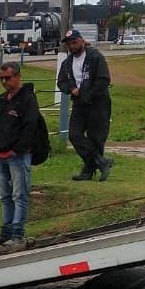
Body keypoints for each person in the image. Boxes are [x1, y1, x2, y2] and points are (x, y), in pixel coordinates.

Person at [0, 61, 42, 254]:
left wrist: (17, 150)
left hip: (17, 156)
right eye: (1, 78)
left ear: (18, 76)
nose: (4, 82)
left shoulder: (27, 99)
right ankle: (6, 231)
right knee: (5, 196)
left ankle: (17, 234)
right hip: (0, 154)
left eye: (8, 78)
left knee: (19, 195)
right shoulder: (1, 99)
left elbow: (30, 126)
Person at [56, 29, 113, 182]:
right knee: (74, 134)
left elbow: (104, 79)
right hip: (79, 103)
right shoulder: (67, 63)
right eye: (69, 44)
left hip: (98, 102)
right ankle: (101, 161)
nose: (72, 46)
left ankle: (88, 171)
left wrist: (89, 94)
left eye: (74, 42)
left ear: (81, 41)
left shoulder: (95, 57)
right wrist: (71, 89)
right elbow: (61, 81)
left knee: (96, 137)